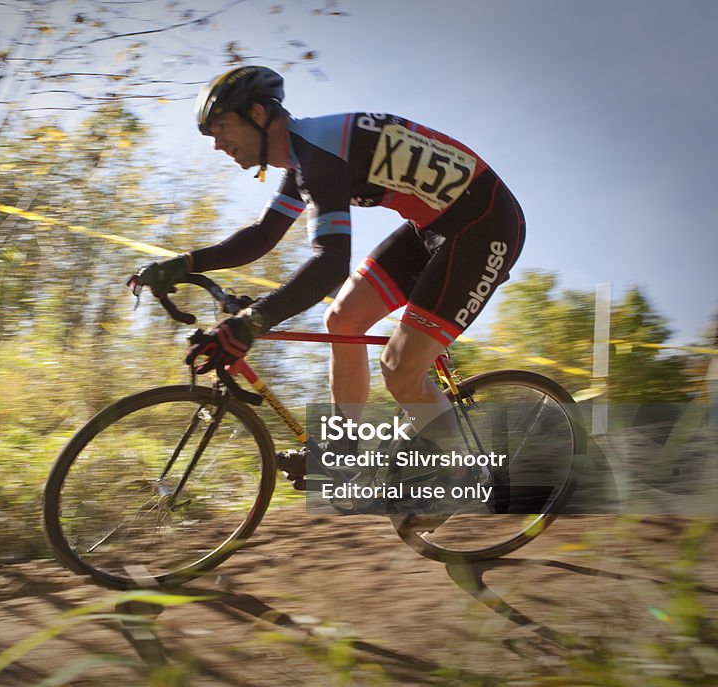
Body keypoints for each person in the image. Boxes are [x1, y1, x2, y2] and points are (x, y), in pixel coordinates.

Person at [129, 65, 525, 487]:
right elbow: (262, 236)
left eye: (222, 127)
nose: (217, 144)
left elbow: (331, 263)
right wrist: (185, 263)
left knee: (399, 368)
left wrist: (252, 321)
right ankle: (343, 452)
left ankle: (460, 475)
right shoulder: (306, 155)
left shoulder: (320, 156)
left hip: (485, 227)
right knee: (342, 322)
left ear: (258, 115)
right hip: (431, 225)